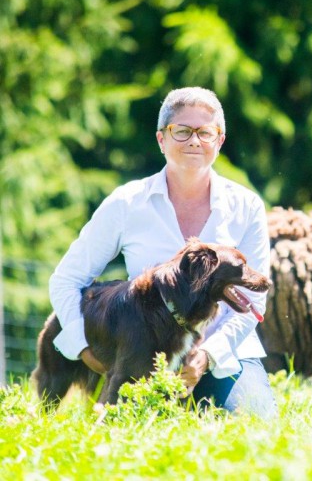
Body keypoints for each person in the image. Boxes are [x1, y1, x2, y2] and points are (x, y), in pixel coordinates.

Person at [48, 86, 276, 418]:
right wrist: (83, 347)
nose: (194, 141)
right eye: (181, 131)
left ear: (219, 140)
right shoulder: (127, 203)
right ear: (161, 139)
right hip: (140, 356)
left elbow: (253, 302)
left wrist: (206, 357)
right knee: (124, 435)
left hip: (223, 358)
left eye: (205, 132)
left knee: (252, 423)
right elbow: (66, 279)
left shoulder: (247, 205)